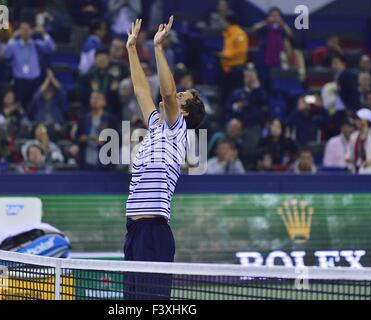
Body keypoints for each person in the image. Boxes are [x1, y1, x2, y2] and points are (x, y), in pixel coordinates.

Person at [123, 18, 205, 300]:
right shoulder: (157, 124)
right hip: (133, 231)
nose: (177, 93)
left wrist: (158, 48)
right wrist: (132, 49)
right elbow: (141, 91)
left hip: (154, 233)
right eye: (181, 91)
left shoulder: (176, 128)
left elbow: (166, 92)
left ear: (184, 113)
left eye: (184, 96)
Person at [3, 21, 57, 109]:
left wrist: (44, 34)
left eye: (27, 29)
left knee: (34, 106)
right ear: (19, 31)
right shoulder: (14, 45)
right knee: (19, 106)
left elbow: (51, 48)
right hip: (20, 82)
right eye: (22, 29)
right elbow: (5, 54)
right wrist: (12, 37)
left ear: (31, 31)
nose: (25, 32)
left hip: (34, 81)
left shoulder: (35, 44)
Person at [75, 91, 116, 169]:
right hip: (86, 162)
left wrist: (107, 139)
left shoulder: (110, 120)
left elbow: (117, 140)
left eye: (98, 98)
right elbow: (77, 138)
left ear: (104, 102)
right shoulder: (84, 119)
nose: (95, 100)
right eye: (93, 98)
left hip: (105, 163)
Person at [218, 13, 249, 101]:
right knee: (224, 95)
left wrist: (225, 54)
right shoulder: (226, 33)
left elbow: (242, 51)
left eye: (224, 21)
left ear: (228, 22)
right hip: (225, 70)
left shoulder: (239, 33)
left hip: (236, 71)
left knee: (234, 95)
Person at [347, 108, 371, 174]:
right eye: (356, 120)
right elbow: (350, 153)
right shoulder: (354, 136)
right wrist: (350, 158)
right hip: (356, 171)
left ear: (366, 121)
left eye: (359, 119)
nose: (357, 122)